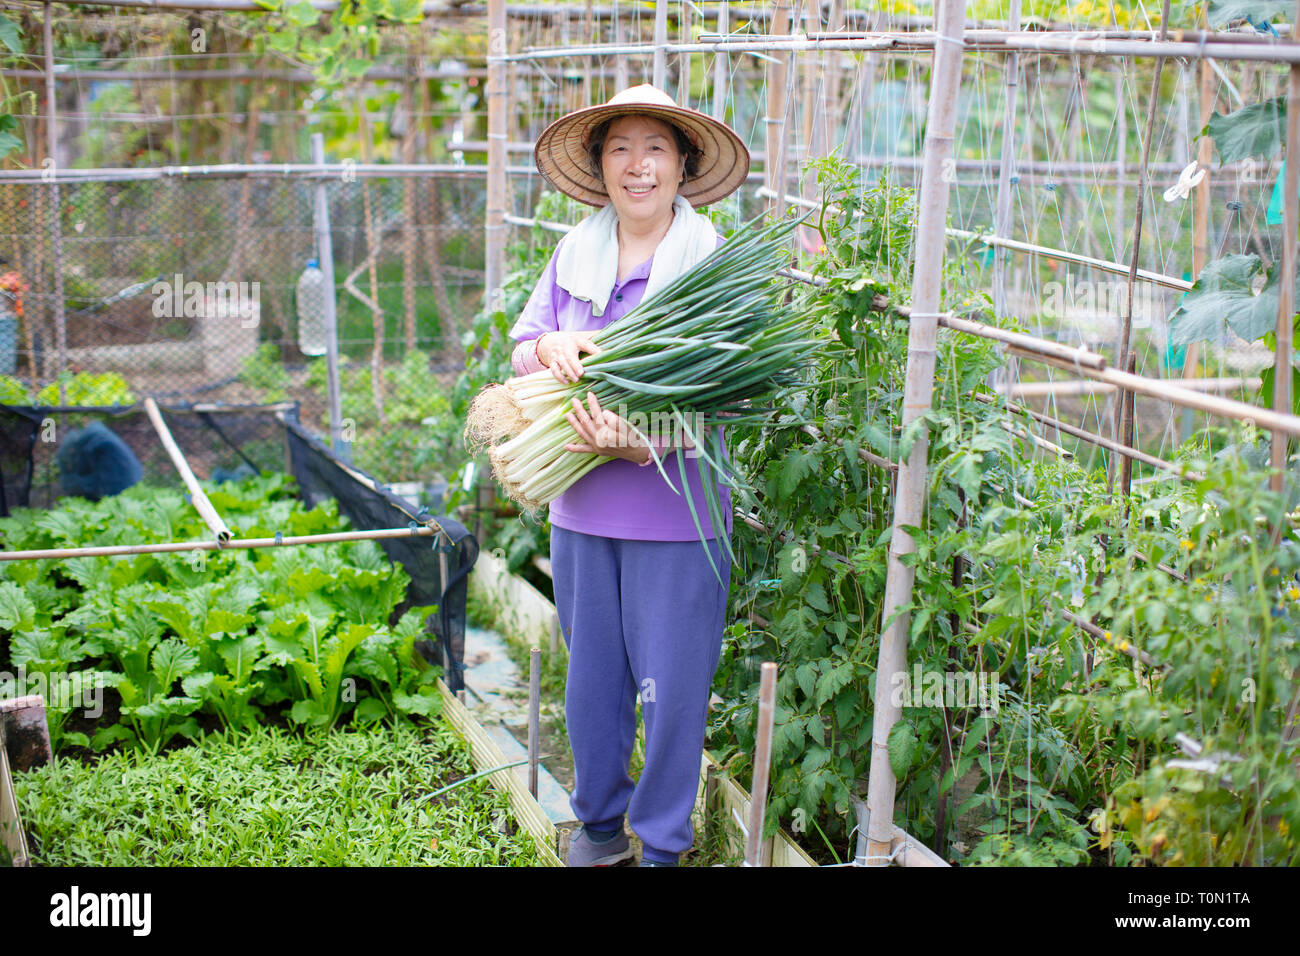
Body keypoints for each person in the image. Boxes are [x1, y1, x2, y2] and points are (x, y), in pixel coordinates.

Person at [508, 85, 750, 866]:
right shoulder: (575, 251)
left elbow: (735, 393)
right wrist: (549, 351)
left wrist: (650, 445)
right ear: (599, 164)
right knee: (592, 689)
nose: (636, 165)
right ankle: (600, 827)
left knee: (673, 693)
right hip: (580, 508)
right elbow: (525, 342)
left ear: (682, 164)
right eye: (619, 148)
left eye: (654, 148)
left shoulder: (712, 264)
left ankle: (663, 847)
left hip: (678, 515)